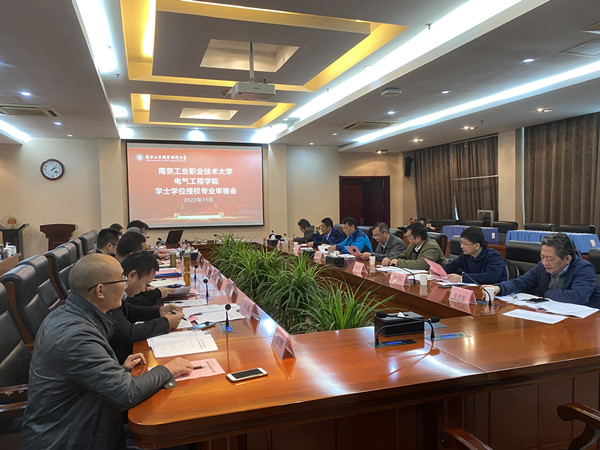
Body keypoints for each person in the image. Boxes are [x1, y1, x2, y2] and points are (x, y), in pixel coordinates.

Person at [21, 254, 193, 449]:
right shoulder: (76, 336)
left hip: (87, 425)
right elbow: (126, 394)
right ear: (100, 291)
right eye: (122, 280)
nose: (125, 286)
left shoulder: (69, 316)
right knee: (184, 440)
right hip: (70, 440)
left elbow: (81, 376)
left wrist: (119, 370)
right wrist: (168, 369)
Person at [484, 232, 600, 308]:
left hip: (582, 320)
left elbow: (578, 297)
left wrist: (547, 294)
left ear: (567, 259)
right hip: (551, 314)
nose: (545, 263)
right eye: (542, 257)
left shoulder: (584, 269)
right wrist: (499, 288)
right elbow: (522, 282)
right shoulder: (541, 267)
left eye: (550, 259)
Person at [108, 251, 183, 363]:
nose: (144, 289)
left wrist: (160, 311)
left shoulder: (119, 294)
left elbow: (129, 310)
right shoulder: (109, 296)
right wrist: (165, 322)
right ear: (132, 275)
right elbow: (128, 333)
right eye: (145, 283)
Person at [443, 226, 507, 284]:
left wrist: (462, 278)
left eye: (465, 244)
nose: (461, 246)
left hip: (493, 290)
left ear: (477, 246)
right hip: (473, 288)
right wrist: (439, 271)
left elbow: (490, 277)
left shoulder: (494, 256)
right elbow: (450, 267)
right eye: (461, 242)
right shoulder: (466, 256)